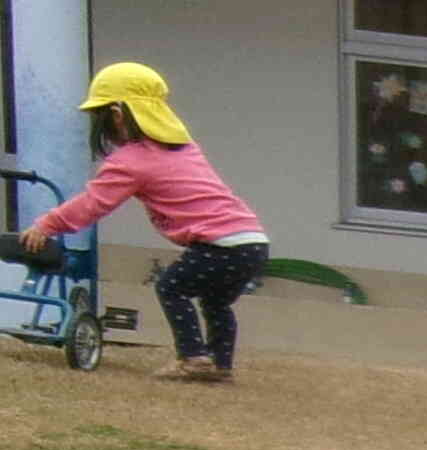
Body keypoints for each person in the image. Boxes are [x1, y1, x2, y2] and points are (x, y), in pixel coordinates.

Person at [19, 63, 267, 384]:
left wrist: (46, 225)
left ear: (117, 114)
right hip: (252, 241)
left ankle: (193, 358)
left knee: (171, 287)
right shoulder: (186, 148)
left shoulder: (131, 161)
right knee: (215, 301)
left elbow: (93, 204)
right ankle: (220, 363)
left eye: (99, 117)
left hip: (218, 243)